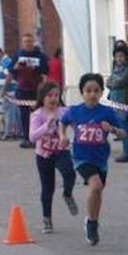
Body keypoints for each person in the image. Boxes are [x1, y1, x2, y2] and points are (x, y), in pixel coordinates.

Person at [62, 73, 126, 246]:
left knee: (97, 191)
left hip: (100, 159)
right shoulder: (75, 111)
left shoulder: (107, 112)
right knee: (95, 185)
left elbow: (124, 133)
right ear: (82, 92)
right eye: (88, 90)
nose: (92, 94)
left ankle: (92, 220)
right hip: (81, 158)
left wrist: (112, 129)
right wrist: (63, 136)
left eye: (96, 90)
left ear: (101, 92)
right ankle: (91, 224)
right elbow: (63, 121)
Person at [28, 80, 78, 233]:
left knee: (70, 174)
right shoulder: (37, 114)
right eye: (50, 95)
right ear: (42, 97)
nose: (53, 99)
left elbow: (75, 126)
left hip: (61, 151)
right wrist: (46, 126)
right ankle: (47, 220)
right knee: (47, 187)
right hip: (44, 155)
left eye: (56, 95)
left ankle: (67, 194)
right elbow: (32, 137)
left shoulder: (63, 112)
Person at [6, 32, 49, 148]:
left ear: (33, 42)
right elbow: (11, 71)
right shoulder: (18, 55)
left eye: (29, 41)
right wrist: (4, 89)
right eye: (25, 41)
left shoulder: (40, 56)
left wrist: (44, 90)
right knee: (24, 115)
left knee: (38, 115)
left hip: (36, 90)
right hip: (22, 89)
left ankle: (38, 138)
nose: (27, 44)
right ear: (22, 43)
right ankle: (27, 138)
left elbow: (45, 73)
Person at [106, 45, 128, 161]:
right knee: (121, 127)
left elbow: (119, 82)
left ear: (126, 57)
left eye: (121, 56)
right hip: (116, 102)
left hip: (126, 102)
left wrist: (112, 83)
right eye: (117, 56)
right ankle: (124, 151)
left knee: (127, 128)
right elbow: (108, 82)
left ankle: (127, 153)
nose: (119, 59)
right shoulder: (115, 69)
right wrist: (111, 82)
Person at [0, 47, 22, 139]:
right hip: (6, 92)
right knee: (10, 112)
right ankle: (12, 131)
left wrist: (3, 89)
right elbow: (0, 77)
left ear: (1, 52)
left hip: (10, 92)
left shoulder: (6, 62)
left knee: (10, 113)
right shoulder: (1, 63)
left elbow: (9, 76)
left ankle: (10, 133)